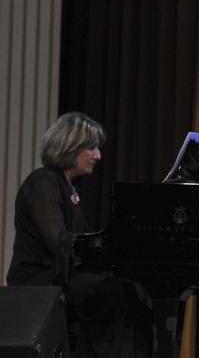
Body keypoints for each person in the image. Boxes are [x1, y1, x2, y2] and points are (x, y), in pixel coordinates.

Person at [6, 112, 153, 358]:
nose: (98, 156)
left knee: (132, 292)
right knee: (115, 294)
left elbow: (80, 238)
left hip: (64, 274)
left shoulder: (66, 186)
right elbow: (57, 239)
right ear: (70, 146)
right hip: (41, 279)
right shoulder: (43, 182)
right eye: (92, 148)